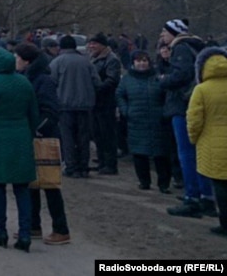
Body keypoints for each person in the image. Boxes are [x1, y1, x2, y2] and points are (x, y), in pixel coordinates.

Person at [0, 46, 40, 252]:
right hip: (21, 138)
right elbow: (34, 115)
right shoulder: (24, 82)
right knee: (22, 189)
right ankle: (25, 234)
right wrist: (29, 135)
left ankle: (0, 232)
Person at [16, 42, 71, 245]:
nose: (15, 61)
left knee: (50, 185)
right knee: (32, 183)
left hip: (45, 137)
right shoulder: (29, 78)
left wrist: (37, 129)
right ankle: (33, 225)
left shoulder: (43, 80)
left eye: (18, 58)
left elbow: (51, 111)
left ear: (27, 60)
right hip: (34, 135)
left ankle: (61, 228)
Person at [158, 19, 214, 218]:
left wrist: (163, 79)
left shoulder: (180, 48)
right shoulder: (196, 46)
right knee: (198, 152)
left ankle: (193, 197)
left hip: (182, 105)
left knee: (186, 153)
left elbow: (181, 75)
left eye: (165, 32)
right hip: (194, 104)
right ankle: (207, 196)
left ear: (174, 32)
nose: (162, 36)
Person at [117, 50, 172, 194]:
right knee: (139, 153)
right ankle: (144, 181)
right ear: (133, 63)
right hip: (136, 120)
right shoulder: (127, 79)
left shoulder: (157, 78)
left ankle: (164, 183)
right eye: (138, 61)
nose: (142, 63)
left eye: (144, 60)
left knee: (161, 154)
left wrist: (164, 112)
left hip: (158, 120)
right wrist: (126, 111)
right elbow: (120, 95)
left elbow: (167, 95)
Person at [189, 46, 227, 236]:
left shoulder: (201, 89)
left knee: (220, 186)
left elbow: (195, 120)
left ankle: (225, 224)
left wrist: (194, 138)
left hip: (212, 144)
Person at [50, 34, 97, 177]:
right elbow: (97, 81)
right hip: (85, 105)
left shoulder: (56, 62)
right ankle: (83, 166)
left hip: (64, 106)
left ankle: (71, 166)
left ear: (60, 47)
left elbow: (51, 82)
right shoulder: (87, 62)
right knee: (83, 137)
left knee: (68, 137)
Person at [88, 33, 122, 175]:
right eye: (90, 43)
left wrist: (97, 88)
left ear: (102, 45)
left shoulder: (111, 59)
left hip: (105, 102)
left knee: (107, 133)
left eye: (94, 43)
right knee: (98, 134)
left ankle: (110, 164)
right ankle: (102, 162)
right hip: (96, 102)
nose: (91, 46)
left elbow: (112, 80)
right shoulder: (93, 58)